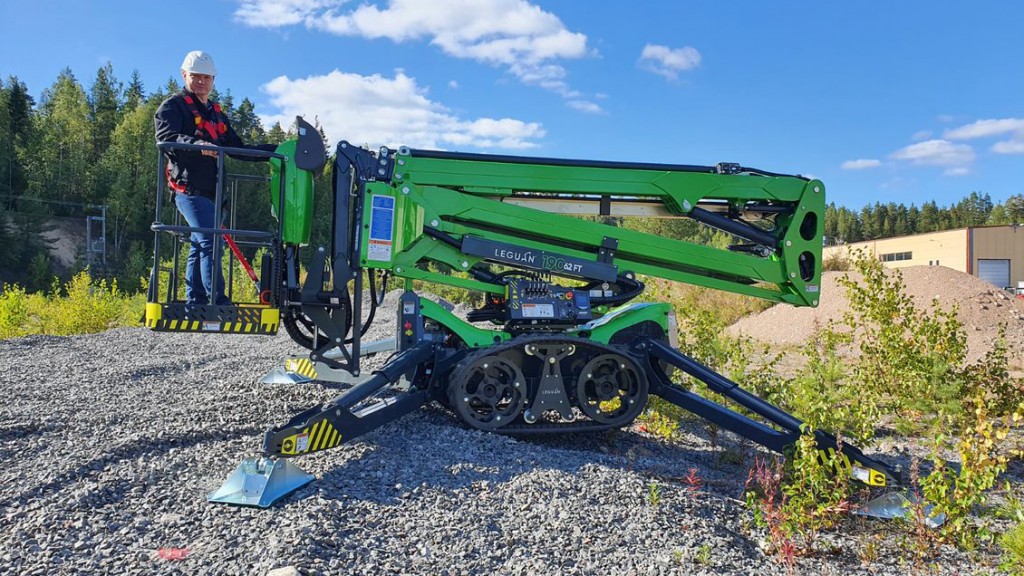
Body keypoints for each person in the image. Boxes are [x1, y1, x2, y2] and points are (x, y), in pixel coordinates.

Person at [154, 50, 276, 307]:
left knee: (200, 244)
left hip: (214, 193)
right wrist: (197, 144)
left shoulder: (216, 114)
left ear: (213, 80)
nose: (201, 82)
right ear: (184, 75)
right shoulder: (173, 107)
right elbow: (166, 138)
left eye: (206, 77)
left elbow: (236, 147)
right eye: (196, 76)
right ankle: (216, 301)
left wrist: (275, 152)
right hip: (188, 190)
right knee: (210, 241)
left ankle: (195, 301)